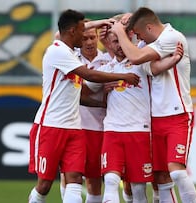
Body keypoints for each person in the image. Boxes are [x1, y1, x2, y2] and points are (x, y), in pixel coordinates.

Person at [27, 9, 140, 203]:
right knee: (44, 184)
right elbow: (89, 75)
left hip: (74, 129)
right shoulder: (57, 51)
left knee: (75, 180)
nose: (86, 36)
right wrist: (123, 76)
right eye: (82, 31)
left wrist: (102, 103)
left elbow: (80, 96)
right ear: (72, 31)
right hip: (50, 126)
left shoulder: (69, 51)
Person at [111, 7, 196, 203]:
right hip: (153, 119)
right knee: (160, 177)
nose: (138, 38)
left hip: (178, 114)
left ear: (149, 27)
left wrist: (119, 31)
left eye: (140, 33)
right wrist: (125, 20)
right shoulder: (146, 44)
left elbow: (134, 57)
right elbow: (152, 68)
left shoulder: (172, 37)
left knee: (176, 172)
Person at [85, 26, 183, 203]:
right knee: (111, 180)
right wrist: (103, 94)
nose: (120, 45)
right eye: (115, 42)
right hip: (112, 130)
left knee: (138, 188)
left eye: (122, 41)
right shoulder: (106, 69)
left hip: (140, 131)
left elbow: (157, 68)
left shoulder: (140, 64)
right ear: (109, 44)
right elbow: (83, 91)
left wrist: (174, 60)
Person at [59, 21, 112, 203]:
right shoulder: (70, 57)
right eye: (84, 38)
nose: (89, 42)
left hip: (98, 126)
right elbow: (58, 37)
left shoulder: (108, 60)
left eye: (92, 37)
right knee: (69, 175)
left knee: (94, 179)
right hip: (74, 125)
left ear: (98, 37)